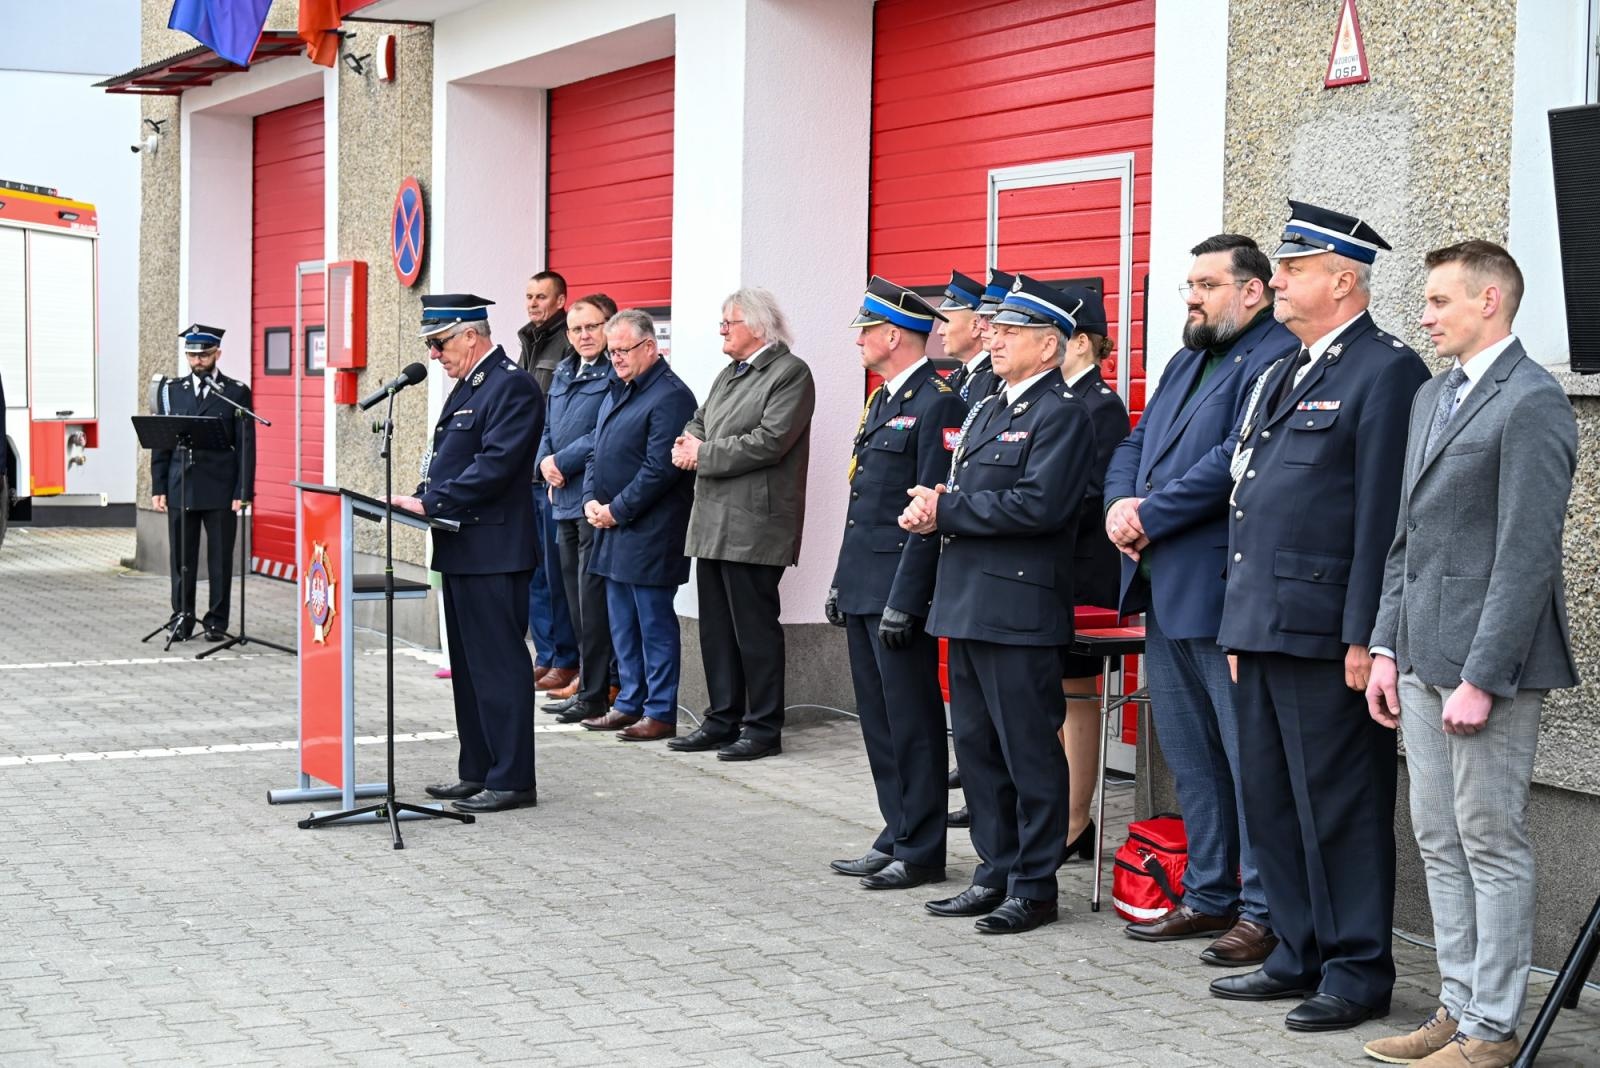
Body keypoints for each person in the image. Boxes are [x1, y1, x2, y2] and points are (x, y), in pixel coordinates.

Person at [1208, 202, 1429, 1030]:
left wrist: (1364, 636)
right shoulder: (1283, 370)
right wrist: (1238, 625)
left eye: (1295, 270)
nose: (1279, 282)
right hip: (1264, 625)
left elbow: (1381, 517)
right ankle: (1296, 950)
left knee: (1340, 805)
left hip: (1326, 632)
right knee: (1271, 799)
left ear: (1343, 281)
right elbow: (1251, 504)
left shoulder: (1385, 370)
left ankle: (1357, 970)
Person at [1362, 242, 1578, 1068]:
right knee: (1439, 839)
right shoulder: (1431, 395)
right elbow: (1406, 536)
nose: (1425, 316)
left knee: (1490, 842)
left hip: (1487, 669)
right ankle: (1455, 1010)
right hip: (1419, 654)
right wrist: (1385, 645)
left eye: (1439, 301)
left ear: (1489, 301)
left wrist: (1484, 677)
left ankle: (1492, 1029)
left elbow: (1527, 556)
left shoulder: (1532, 401)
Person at [1104, 234, 1296, 967]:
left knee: (1247, 762)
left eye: (1208, 285)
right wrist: (1119, 505)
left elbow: (1231, 463)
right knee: (1192, 758)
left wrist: (1149, 515)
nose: (1192, 297)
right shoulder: (1188, 358)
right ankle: (1209, 893)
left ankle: (1263, 909)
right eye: (1190, 284)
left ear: (1252, 291)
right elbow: (1137, 441)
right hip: (1163, 590)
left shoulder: (1276, 356)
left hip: (1221, 592)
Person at [901, 274, 1095, 935]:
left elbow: (1041, 505)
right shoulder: (987, 407)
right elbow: (965, 489)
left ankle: (1034, 886)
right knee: (979, 750)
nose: (996, 338)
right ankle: (994, 871)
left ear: (1050, 346)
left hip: (1018, 609)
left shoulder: (1062, 413)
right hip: (966, 600)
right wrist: (932, 505)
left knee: (1027, 752)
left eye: (1012, 332)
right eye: (997, 329)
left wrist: (948, 509)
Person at [826, 277, 967, 891]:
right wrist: (840, 581)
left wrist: (907, 600)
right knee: (879, 722)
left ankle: (923, 849)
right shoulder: (883, 399)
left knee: (911, 722)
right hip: (865, 581)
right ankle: (897, 830)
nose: (858, 340)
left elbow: (928, 513)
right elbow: (863, 505)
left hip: (897, 590)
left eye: (865, 331)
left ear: (892, 335)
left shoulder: (938, 403)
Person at [392, 294, 543, 814]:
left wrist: (432, 501)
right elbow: (450, 460)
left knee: (499, 667)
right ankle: (477, 769)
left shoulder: (511, 385)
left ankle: (513, 779)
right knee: (470, 669)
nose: (433, 354)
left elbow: (497, 464)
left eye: (438, 343)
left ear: (470, 335)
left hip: (495, 550)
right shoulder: (471, 385)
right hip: (461, 546)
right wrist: (422, 493)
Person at [668, 288, 815, 762]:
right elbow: (699, 419)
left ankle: (764, 728)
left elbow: (770, 441)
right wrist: (689, 441)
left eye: (729, 322)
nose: (722, 331)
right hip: (713, 520)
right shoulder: (730, 373)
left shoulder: (790, 373)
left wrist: (703, 453)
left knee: (754, 631)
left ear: (758, 325)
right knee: (716, 630)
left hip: (754, 524)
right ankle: (721, 720)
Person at [577, 309, 699, 742]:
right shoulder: (618, 389)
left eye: (623, 350)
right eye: (612, 352)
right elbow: (596, 451)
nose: (616, 359)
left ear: (650, 347)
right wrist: (590, 499)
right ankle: (629, 703)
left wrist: (617, 509)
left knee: (653, 624)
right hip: (612, 526)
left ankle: (660, 710)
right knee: (622, 624)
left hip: (650, 531)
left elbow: (660, 469)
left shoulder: (671, 396)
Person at [1051, 283, 1131, 864]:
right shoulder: (1060, 398)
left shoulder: (1100, 405)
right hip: (1055, 569)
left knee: (1078, 696)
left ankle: (1076, 819)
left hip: (1084, 573)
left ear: (1081, 342)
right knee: (1055, 695)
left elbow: (1088, 492)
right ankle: (1060, 811)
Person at [942, 266, 1012, 828]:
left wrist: (945, 509)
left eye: (1000, 324)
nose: (991, 333)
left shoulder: (1048, 405)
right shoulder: (976, 390)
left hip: (1008, 579)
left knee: (1016, 728)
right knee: (973, 717)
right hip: (964, 567)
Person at [538, 293, 621, 724]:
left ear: (610, 326)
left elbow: (602, 432)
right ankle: (588, 681)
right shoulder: (565, 369)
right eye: (576, 329)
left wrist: (561, 461)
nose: (584, 335)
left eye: (592, 326)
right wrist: (544, 461)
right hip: (562, 499)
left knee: (593, 600)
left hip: (590, 496)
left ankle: (602, 686)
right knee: (573, 599)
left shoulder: (615, 372)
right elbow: (547, 425)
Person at [150, 324, 255, 642]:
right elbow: (161, 441)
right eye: (192, 355)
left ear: (217, 354)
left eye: (204, 355)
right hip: (181, 485)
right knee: (182, 560)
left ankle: (216, 623)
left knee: (220, 560)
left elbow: (246, 445)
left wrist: (243, 490)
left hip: (221, 488)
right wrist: (159, 486)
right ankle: (182, 619)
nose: (197, 361)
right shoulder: (172, 390)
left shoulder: (235, 392)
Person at [519, 270, 579, 697]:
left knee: (558, 576)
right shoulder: (527, 341)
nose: (533, 304)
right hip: (529, 474)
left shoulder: (567, 345)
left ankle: (566, 659)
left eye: (541, 297)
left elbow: (561, 419)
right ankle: (546, 656)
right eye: (529, 296)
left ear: (560, 301)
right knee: (537, 573)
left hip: (555, 477)